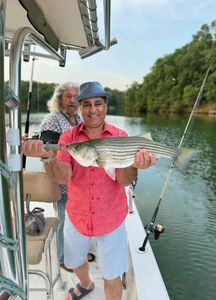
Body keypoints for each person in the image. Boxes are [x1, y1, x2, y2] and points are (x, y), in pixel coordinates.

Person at [22, 81, 156, 300]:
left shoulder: (121, 136)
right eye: (87, 105)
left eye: (98, 104)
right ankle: (85, 284)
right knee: (74, 261)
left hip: (110, 217)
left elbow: (123, 181)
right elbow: (63, 176)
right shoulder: (69, 138)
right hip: (77, 215)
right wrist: (48, 158)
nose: (93, 109)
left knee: (112, 275)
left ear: (105, 106)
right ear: (80, 107)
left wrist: (134, 165)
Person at [29, 82, 94, 273]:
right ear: (60, 99)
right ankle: (64, 258)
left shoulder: (79, 119)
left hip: (80, 183)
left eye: (76, 97)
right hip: (63, 183)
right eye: (68, 96)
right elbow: (48, 149)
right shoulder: (53, 119)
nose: (73, 100)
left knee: (79, 220)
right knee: (65, 220)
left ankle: (78, 253)